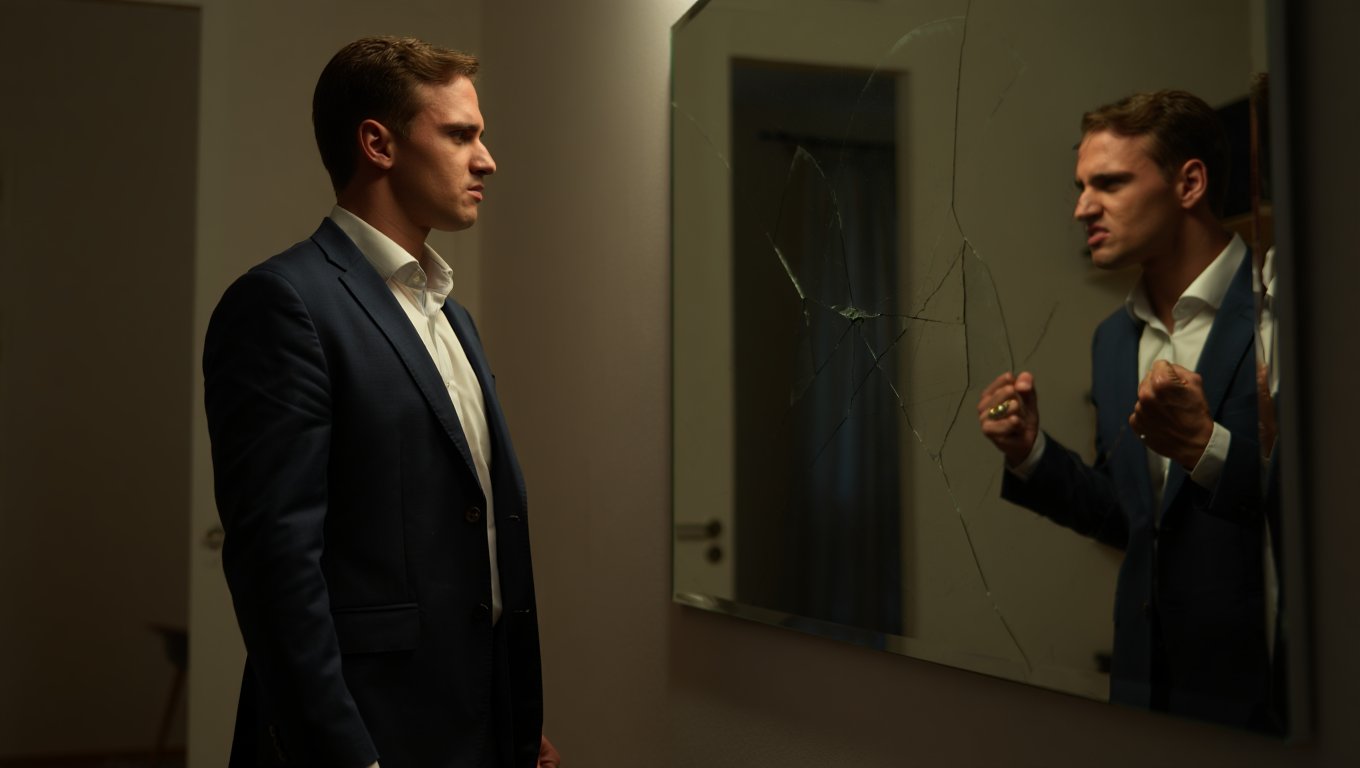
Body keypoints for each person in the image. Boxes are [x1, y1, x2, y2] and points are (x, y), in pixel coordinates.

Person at [204, 36, 561, 767]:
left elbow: (470, 541)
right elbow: (276, 569)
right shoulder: (284, 303)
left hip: (472, 726)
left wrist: (508, 723)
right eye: (460, 134)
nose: (487, 160)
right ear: (378, 144)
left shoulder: (450, 316)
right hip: (363, 737)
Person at [977, 90, 1277, 730]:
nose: (1082, 207)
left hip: (1266, 699)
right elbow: (1133, 521)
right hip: (1142, 695)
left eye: (1109, 183)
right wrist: (1031, 453)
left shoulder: (1279, 308)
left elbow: (1325, 520)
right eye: (1081, 187)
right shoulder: (1113, 340)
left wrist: (1206, 449)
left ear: (1189, 184)